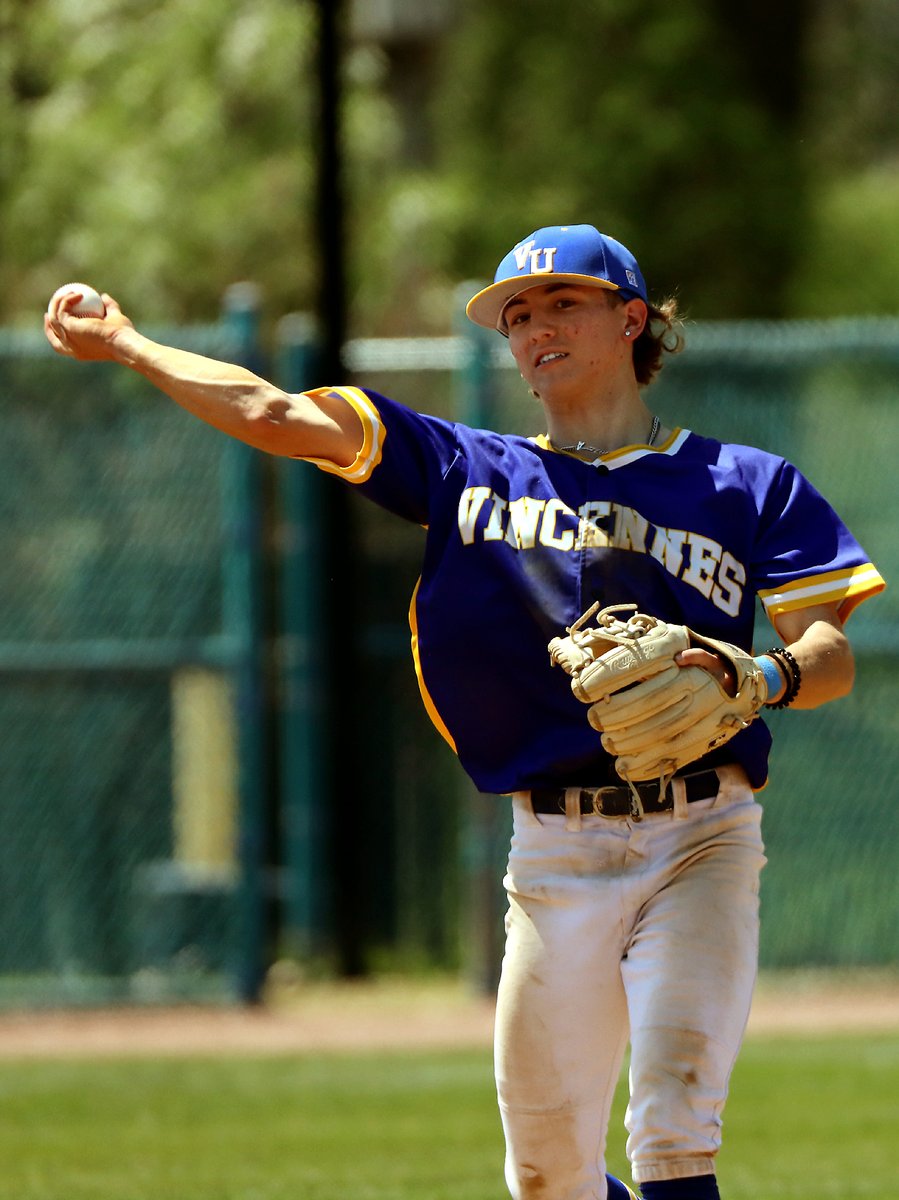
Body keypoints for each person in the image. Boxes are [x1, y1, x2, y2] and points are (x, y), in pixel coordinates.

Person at [45, 224, 885, 1200]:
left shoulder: (745, 483)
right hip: (552, 852)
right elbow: (276, 414)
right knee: (546, 1177)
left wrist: (755, 678)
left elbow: (827, 659)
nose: (534, 329)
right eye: (516, 316)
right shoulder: (463, 468)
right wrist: (131, 345)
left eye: (561, 304)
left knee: (672, 1123)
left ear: (629, 319)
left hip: (701, 837)